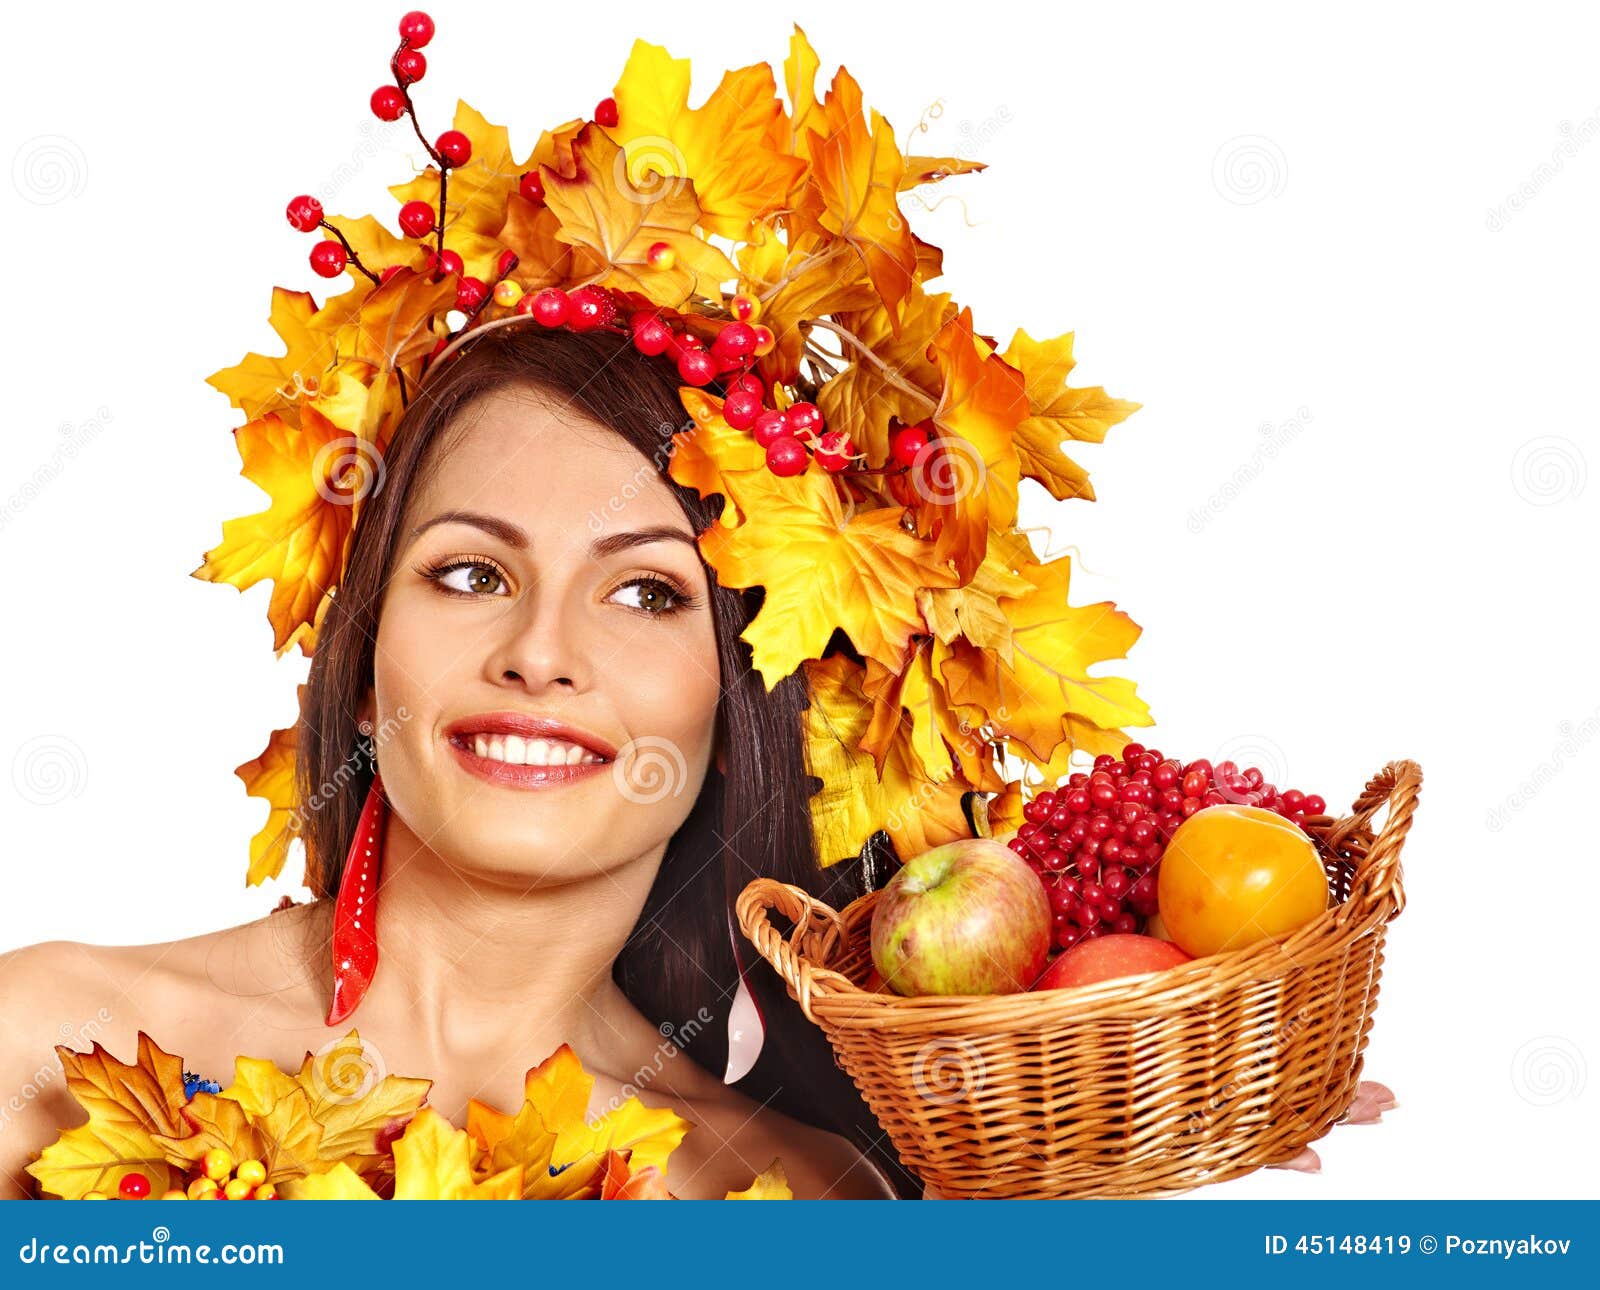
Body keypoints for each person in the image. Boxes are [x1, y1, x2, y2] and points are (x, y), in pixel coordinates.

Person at [0, 323, 911, 1200]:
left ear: (739, 708)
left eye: (644, 591)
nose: (540, 652)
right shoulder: (49, 1045)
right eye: (473, 574)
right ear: (361, 662)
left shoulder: (800, 1195)